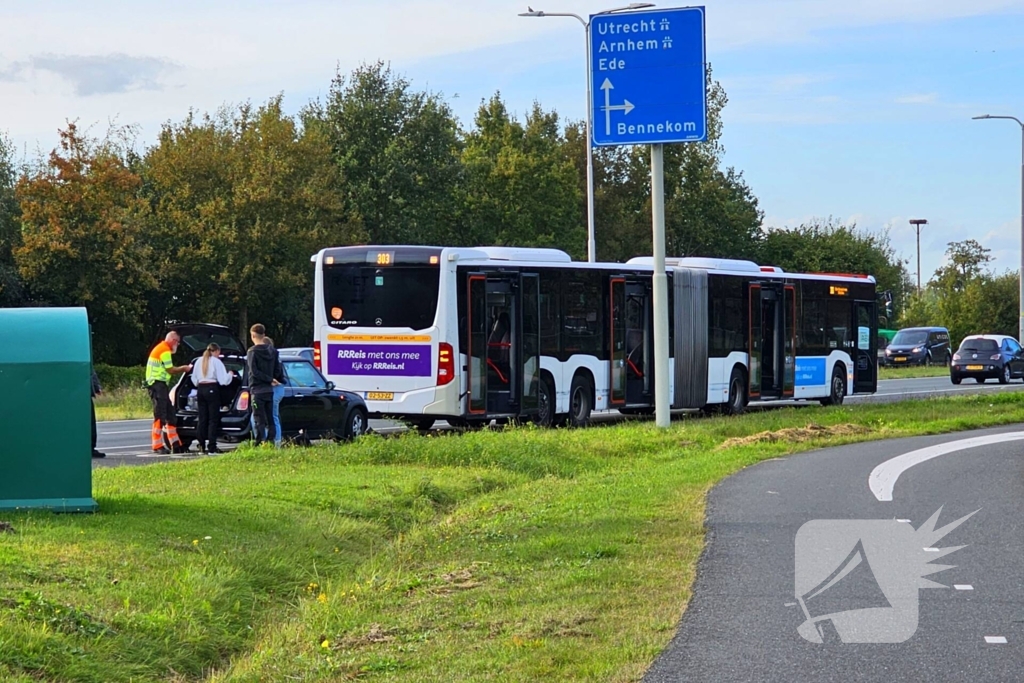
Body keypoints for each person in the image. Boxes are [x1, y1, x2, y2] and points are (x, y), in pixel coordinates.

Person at [145, 331, 192, 454]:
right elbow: (170, 370)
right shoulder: (164, 350)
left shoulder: (161, 348)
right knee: (160, 415)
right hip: (157, 385)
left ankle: (176, 445)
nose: (178, 344)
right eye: (177, 342)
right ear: (172, 340)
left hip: (161, 385)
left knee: (170, 416)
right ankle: (157, 445)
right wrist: (184, 368)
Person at [190, 343, 235, 455]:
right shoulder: (216, 362)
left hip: (200, 389)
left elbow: (194, 379)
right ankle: (212, 447)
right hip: (212, 389)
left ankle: (201, 446)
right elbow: (223, 381)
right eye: (219, 353)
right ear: (215, 351)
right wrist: (230, 374)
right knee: (213, 420)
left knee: (202, 418)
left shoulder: (198, 361)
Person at [246, 324, 282, 446]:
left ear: (253, 335)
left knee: (258, 418)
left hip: (257, 390)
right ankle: (271, 441)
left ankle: (260, 442)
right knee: (270, 418)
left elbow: (254, 371)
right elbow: (278, 370)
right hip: (269, 390)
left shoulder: (252, 352)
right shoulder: (273, 351)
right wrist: (273, 379)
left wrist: (268, 379)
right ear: (264, 335)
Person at [264, 337, 286, 447]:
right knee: (272, 415)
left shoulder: (272, 357)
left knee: (273, 415)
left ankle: (276, 443)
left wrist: (271, 379)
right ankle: (274, 442)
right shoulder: (275, 356)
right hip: (278, 387)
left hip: (276, 386)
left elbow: (277, 372)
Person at [90, 370, 106, 459]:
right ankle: (90, 448)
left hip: (84, 393)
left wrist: (96, 387)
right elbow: (91, 372)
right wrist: (96, 387)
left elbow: (91, 372)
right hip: (83, 393)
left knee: (90, 423)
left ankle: (90, 448)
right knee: (90, 423)